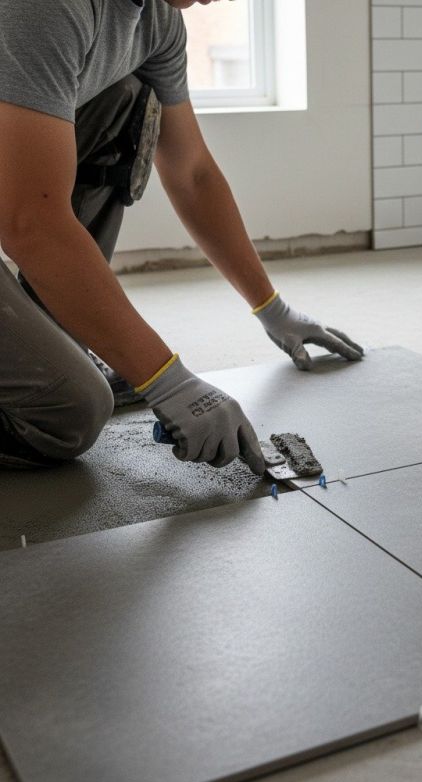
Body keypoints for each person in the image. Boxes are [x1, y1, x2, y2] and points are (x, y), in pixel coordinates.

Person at [0, 0, 363, 473]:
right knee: (70, 413)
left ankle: (52, 331)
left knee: (126, 99)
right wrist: (166, 380)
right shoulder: (46, 8)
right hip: (21, 213)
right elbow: (32, 224)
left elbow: (192, 174)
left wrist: (272, 309)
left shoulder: (157, 21)